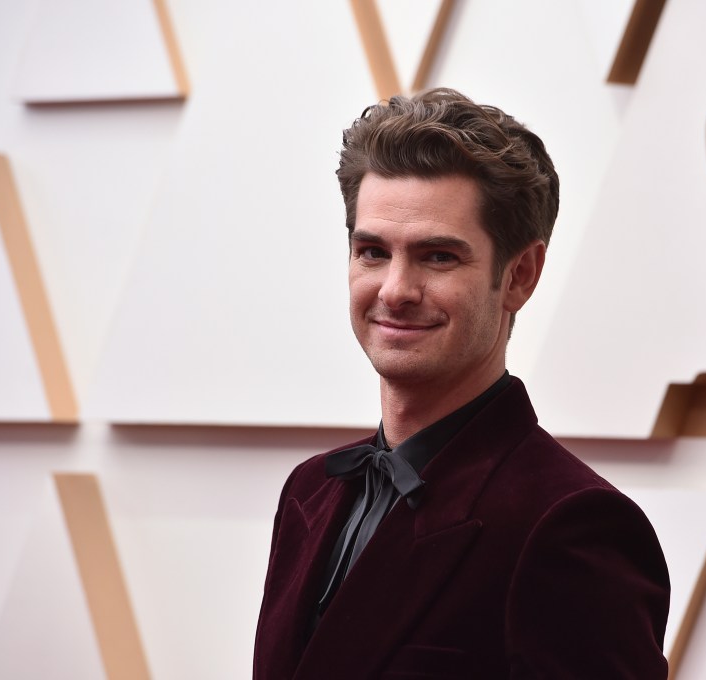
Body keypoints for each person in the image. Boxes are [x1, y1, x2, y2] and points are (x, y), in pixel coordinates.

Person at [253, 88, 670, 679]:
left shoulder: (572, 526)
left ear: (520, 275)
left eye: (438, 257)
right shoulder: (309, 491)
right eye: (372, 252)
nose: (395, 290)